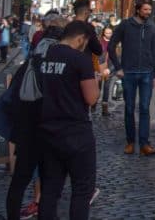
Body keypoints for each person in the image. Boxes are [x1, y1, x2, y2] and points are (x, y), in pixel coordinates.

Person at [36, 20, 99, 220]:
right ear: (80, 39)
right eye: (85, 43)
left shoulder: (43, 55)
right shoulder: (80, 60)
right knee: (82, 190)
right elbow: (91, 98)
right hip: (76, 131)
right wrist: (97, 80)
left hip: (48, 130)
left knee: (50, 189)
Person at [7, 13, 65, 220]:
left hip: (28, 128)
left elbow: (15, 93)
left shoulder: (32, 59)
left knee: (20, 180)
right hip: (50, 128)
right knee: (50, 181)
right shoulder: (62, 60)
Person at [107, 0, 155, 156]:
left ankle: (144, 144)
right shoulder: (125, 25)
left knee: (144, 108)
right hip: (128, 73)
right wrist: (118, 67)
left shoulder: (152, 27)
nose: (148, 12)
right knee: (129, 108)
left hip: (147, 73)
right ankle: (130, 142)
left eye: (149, 10)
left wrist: (154, 74)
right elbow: (111, 46)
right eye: (145, 10)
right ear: (138, 10)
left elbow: (154, 53)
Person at [98, 26, 115, 116]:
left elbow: (118, 58)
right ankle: (93, 104)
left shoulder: (115, 42)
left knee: (106, 88)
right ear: (103, 33)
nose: (108, 34)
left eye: (110, 33)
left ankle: (105, 109)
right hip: (99, 67)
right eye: (107, 33)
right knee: (98, 87)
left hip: (110, 67)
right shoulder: (99, 41)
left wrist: (110, 69)